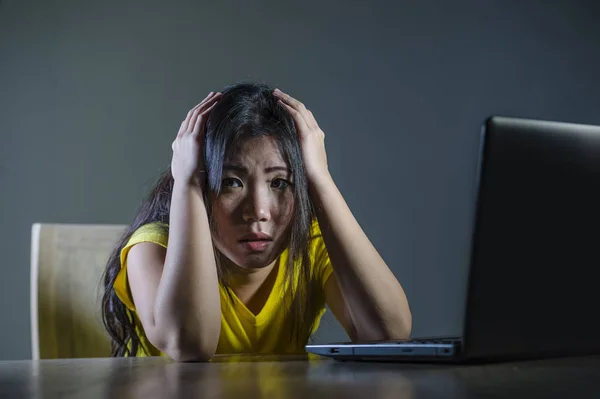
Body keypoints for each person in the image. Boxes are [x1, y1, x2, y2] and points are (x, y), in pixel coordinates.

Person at [101, 82, 412, 361]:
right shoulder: (154, 248)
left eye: (279, 183)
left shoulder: (309, 246)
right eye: (231, 182)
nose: (259, 211)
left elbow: (389, 333)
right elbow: (190, 344)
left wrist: (319, 177)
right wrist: (186, 182)